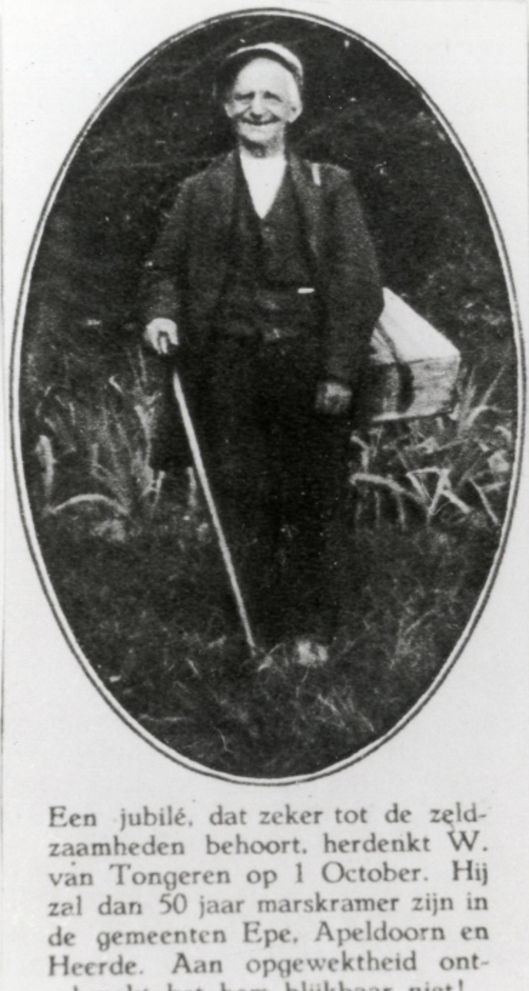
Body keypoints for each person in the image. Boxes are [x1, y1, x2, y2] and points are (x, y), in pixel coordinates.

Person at [142, 42, 383, 654]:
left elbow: (357, 286)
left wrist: (338, 372)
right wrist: (162, 313)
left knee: (313, 495)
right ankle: (254, 625)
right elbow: (164, 269)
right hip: (228, 366)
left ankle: (311, 628)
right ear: (227, 107)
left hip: (308, 365)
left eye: (271, 96)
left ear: (294, 110)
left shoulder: (330, 187)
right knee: (242, 493)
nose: (257, 108)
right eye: (244, 96)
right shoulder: (200, 190)